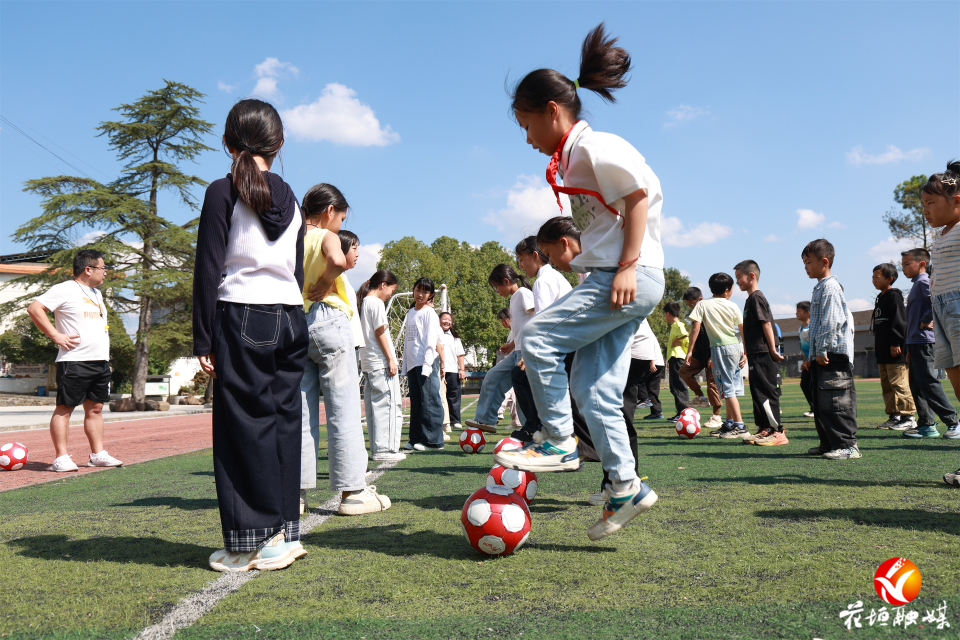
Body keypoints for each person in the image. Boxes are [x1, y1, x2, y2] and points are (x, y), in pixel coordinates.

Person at [494, 23, 664, 541]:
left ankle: (559, 443)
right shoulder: (572, 154)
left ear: (551, 110)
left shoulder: (594, 147)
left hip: (627, 276)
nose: (525, 137)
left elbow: (639, 195)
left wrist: (630, 265)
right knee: (593, 390)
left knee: (538, 336)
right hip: (620, 276)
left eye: (525, 123)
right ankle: (626, 486)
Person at [193, 99, 308, 572]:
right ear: (278, 147)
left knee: (243, 426)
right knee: (282, 421)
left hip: (241, 311)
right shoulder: (294, 199)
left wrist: (203, 338)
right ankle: (284, 531)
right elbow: (297, 268)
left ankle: (253, 542)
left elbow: (208, 267)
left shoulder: (223, 191)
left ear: (227, 142)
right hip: (290, 314)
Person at [299, 185, 390, 518]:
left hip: (296, 323)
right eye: (341, 218)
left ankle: (295, 497)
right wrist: (326, 281)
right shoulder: (325, 236)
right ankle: (353, 492)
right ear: (329, 211)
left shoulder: (290, 238)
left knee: (301, 415)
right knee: (344, 410)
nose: (340, 225)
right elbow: (337, 261)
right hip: (328, 320)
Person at [28, 249, 123, 472]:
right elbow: (35, 308)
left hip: (100, 360)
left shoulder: (96, 294)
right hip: (75, 360)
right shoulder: (65, 289)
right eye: (103, 268)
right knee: (64, 408)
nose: (106, 272)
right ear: (88, 269)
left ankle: (97, 454)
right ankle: (61, 458)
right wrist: (55, 335)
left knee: (96, 409)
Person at [802, 238, 860, 459]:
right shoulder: (819, 288)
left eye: (808, 262)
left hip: (832, 354)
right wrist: (813, 354)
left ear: (824, 261)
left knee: (838, 401)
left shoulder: (831, 287)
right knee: (823, 402)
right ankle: (829, 442)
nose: (806, 267)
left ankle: (848, 445)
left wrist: (822, 349)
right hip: (821, 355)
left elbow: (831, 321)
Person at [511, 236, 572, 440]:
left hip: (560, 346)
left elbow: (542, 320)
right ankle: (540, 427)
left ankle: (538, 428)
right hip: (568, 343)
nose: (520, 265)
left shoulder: (542, 282)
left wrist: (530, 354)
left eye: (521, 259)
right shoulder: (555, 277)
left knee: (521, 377)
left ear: (535, 256)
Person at [464, 265, 534, 434]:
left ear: (506, 281)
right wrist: (512, 344)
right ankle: (486, 419)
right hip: (517, 350)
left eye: (496, 287)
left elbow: (537, 318)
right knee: (493, 376)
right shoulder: (514, 297)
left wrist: (529, 350)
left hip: (527, 352)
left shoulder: (524, 293)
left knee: (524, 393)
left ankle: (531, 431)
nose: (496, 291)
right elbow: (521, 326)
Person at [900, 249, 960, 447]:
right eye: (902, 265)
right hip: (915, 342)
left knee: (928, 381)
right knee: (916, 383)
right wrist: (909, 346)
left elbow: (935, 301)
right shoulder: (916, 285)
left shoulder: (925, 282)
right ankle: (926, 424)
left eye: (908, 264)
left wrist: (927, 320)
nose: (904, 268)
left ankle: (953, 422)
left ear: (922, 264)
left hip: (925, 341)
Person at [685, 273, 747, 439]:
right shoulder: (732, 305)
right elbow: (742, 329)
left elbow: (695, 329)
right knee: (731, 387)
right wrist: (745, 352)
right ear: (727, 290)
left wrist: (690, 350)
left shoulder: (702, 305)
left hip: (720, 348)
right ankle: (729, 423)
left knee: (726, 389)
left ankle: (740, 426)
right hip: (735, 347)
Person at [734, 261, 788, 446]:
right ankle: (764, 428)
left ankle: (778, 431)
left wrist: (772, 349)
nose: (737, 282)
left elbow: (766, 324)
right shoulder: (750, 299)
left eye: (739, 278)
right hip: (755, 353)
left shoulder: (757, 297)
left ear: (751, 276)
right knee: (757, 391)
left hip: (764, 352)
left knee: (767, 390)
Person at [359, 270, 406, 462]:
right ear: (383, 285)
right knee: (388, 405)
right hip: (379, 362)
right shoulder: (376, 302)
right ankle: (384, 449)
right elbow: (380, 332)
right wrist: (390, 359)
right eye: (391, 290)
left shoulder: (364, 302)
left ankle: (378, 448)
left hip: (369, 363)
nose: (389, 295)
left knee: (374, 407)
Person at [870, 263, 918, 432]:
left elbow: (900, 321)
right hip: (882, 351)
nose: (874, 280)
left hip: (894, 350)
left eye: (878, 277)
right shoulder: (881, 297)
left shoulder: (894, 296)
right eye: (873, 277)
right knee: (887, 386)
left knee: (899, 383)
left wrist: (895, 342)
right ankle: (894, 416)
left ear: (889, 279)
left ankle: (909, 417)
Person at [402, 277, 445, 451]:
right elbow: (408, 342)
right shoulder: (410, 312)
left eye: (425, 292)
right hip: (413, 363)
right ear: (413, 289)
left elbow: (430, 342)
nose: (420, 294)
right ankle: (415, 439)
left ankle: (433, 441)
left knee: (430, 401)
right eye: (418, 290)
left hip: (426, 362)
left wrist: (427, 366)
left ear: (431, 295)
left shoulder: (430, 313)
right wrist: (406, 365)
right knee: (417, 402)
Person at [678, 288, 724, 429]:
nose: (691, 308)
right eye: (689, 306)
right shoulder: (695, 315)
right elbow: (694, 333)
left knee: (712, 384)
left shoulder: (711, 313)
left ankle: (717, 416)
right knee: (684, 371)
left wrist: (713, 355)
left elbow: (718, 335)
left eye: (693, 304)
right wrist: (690, 351)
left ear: (701, 300)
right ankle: (701, 398)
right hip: (700, 354)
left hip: (712, 353)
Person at [628, 320, 665, 421]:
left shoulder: (645, 334)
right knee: (652, 388)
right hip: (658, 361)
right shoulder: (648, 332)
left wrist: (652, 362)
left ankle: (645, 399)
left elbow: (651, 347)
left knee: (638, 380)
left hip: (653, 361)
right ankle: (657, 412)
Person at [439, 312, 466, 431]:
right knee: (441, 397)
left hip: (452, 370)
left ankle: (455, 420)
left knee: (454, 396)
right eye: (444, 319)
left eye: (449, 320)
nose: (447, 322)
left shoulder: (455, 337)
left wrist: (462, 369)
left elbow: (460, 354)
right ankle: (443, 421)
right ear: (439, 320)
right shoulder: (435, 334)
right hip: (439, 371)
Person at [663, 301, 690, 421]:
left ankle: (684, 412)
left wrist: (676, 342)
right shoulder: (675, 326)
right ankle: (681, 411)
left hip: (678, 358)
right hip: (675, 359)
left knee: (679, 386)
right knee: (675, 387)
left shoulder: (677, 325)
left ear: (668, 313)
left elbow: (686, 335)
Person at [796, 301, 815, 418]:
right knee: (804, 385)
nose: (796, 313)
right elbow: (805, 348)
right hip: (807, 361)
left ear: (808, 313)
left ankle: (816, 409)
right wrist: (804, 361)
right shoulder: (800, 328)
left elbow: (813, 346)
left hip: (814, 361)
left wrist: (808, 362)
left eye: (799, 311)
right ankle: (813, 409)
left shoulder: (812, 327)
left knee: (813, 386)